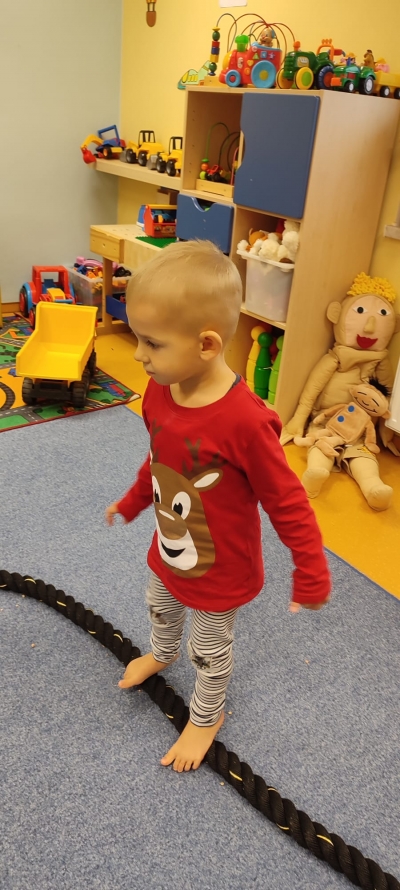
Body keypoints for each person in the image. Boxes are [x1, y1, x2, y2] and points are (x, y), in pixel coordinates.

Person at [105, 240, 331, 773]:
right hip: (169, 545)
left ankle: (207, 715)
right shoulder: (160, 390)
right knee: (159, 605)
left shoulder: (246, 423)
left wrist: (311, 570)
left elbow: (288, 501)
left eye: (151, 343)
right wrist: (135, 501)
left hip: (220, 569)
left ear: (207, 344)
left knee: (208, 650)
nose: (138, 355)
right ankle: (162, 652)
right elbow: (159, 458)